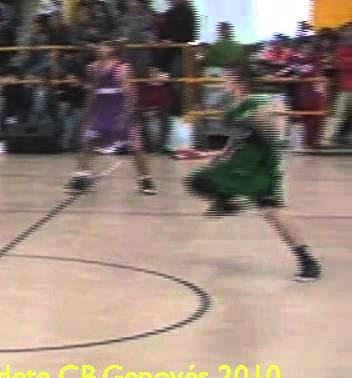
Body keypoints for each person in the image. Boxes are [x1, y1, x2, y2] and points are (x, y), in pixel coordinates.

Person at [184, 63, 322, 282]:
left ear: (238, 79)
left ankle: (308, 262)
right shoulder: (235, 105)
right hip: (240, 164)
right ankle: (228, 201)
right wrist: (212, 153)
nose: (223, 82)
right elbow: (237, 137)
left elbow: (274, 130)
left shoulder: (263, 101)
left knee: (273, 212)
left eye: (227, 77)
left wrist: (263, 124)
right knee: (198, 181)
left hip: (261, 165)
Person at [65, 42, 156, 195]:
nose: (100, 48)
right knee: (88, 143)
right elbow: (92, 92)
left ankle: (146, 180)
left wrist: (127, 114)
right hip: (101, 111)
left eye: (104, 46)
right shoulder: (92, 68)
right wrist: (87, 114)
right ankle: (80, 178)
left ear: (113, 51)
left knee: (135, 148)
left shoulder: (123, 68)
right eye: (99, 46)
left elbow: (130, 94)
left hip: (119, 110)